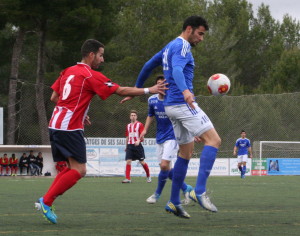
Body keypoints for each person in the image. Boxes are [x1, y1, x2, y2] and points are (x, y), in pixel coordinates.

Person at [35, 39, 167, 224]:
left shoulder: (68, 71)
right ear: (91, 55)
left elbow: (54, 97)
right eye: (101, 55)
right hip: (69, 127)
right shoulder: (90, 75)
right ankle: (46, 201)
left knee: (70, 168)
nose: (102, 59)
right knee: (80, 171)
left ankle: (46, 201)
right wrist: (149, 89)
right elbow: (120, 90)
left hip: (55, 124)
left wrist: (79, 112)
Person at [121, 16, 220, 218]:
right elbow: (176, 70)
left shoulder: (169, 47)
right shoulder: (183, 46)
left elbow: (148, 65)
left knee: (185, 153)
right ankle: (200, 191)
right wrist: (185, 91)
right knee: (214, 140)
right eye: (200, 34)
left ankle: (174, 202)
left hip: (170, 107)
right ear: (189, 29)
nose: (201, 38)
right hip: (182, 104)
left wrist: (137, 88)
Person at [141, 75, 193, 205]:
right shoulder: (152, 100)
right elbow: (150, 115)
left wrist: (193, 131)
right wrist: (144, 130)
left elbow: (184, 117)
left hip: (173, 136)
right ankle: (187, 188)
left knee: (164, 166)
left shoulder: (172, 100)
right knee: (167, 171)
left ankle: (157, 194)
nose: (162, 87)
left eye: (164, 84)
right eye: (159, 84)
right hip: (160, 137)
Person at [122, 110, 151, 183]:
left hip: (137, 146)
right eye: (132, 115)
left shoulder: (140, 124)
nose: (133, 116)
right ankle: (128, 178)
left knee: (142, 162)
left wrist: (138, 140)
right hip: (130, 146)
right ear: (130, 117)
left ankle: (148, 176)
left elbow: (142, 136)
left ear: (136, 116)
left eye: (134, 115)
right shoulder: (128, 126)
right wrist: (126, 146)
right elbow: (127, 137)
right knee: (128, 161)